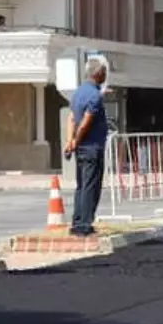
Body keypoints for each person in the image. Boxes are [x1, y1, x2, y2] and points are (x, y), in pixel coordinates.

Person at [64, 56, 109, 237]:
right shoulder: (94, 96)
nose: (105, 75)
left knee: (81, 185)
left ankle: (77, 222)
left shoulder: (78, 92)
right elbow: (84, 123)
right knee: (91, 186)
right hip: (92, 146)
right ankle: (84, 225)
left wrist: (70, 141)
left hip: (81, 148)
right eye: (104, 72)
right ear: (98, 74)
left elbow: (71, 118)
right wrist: (77, 139)